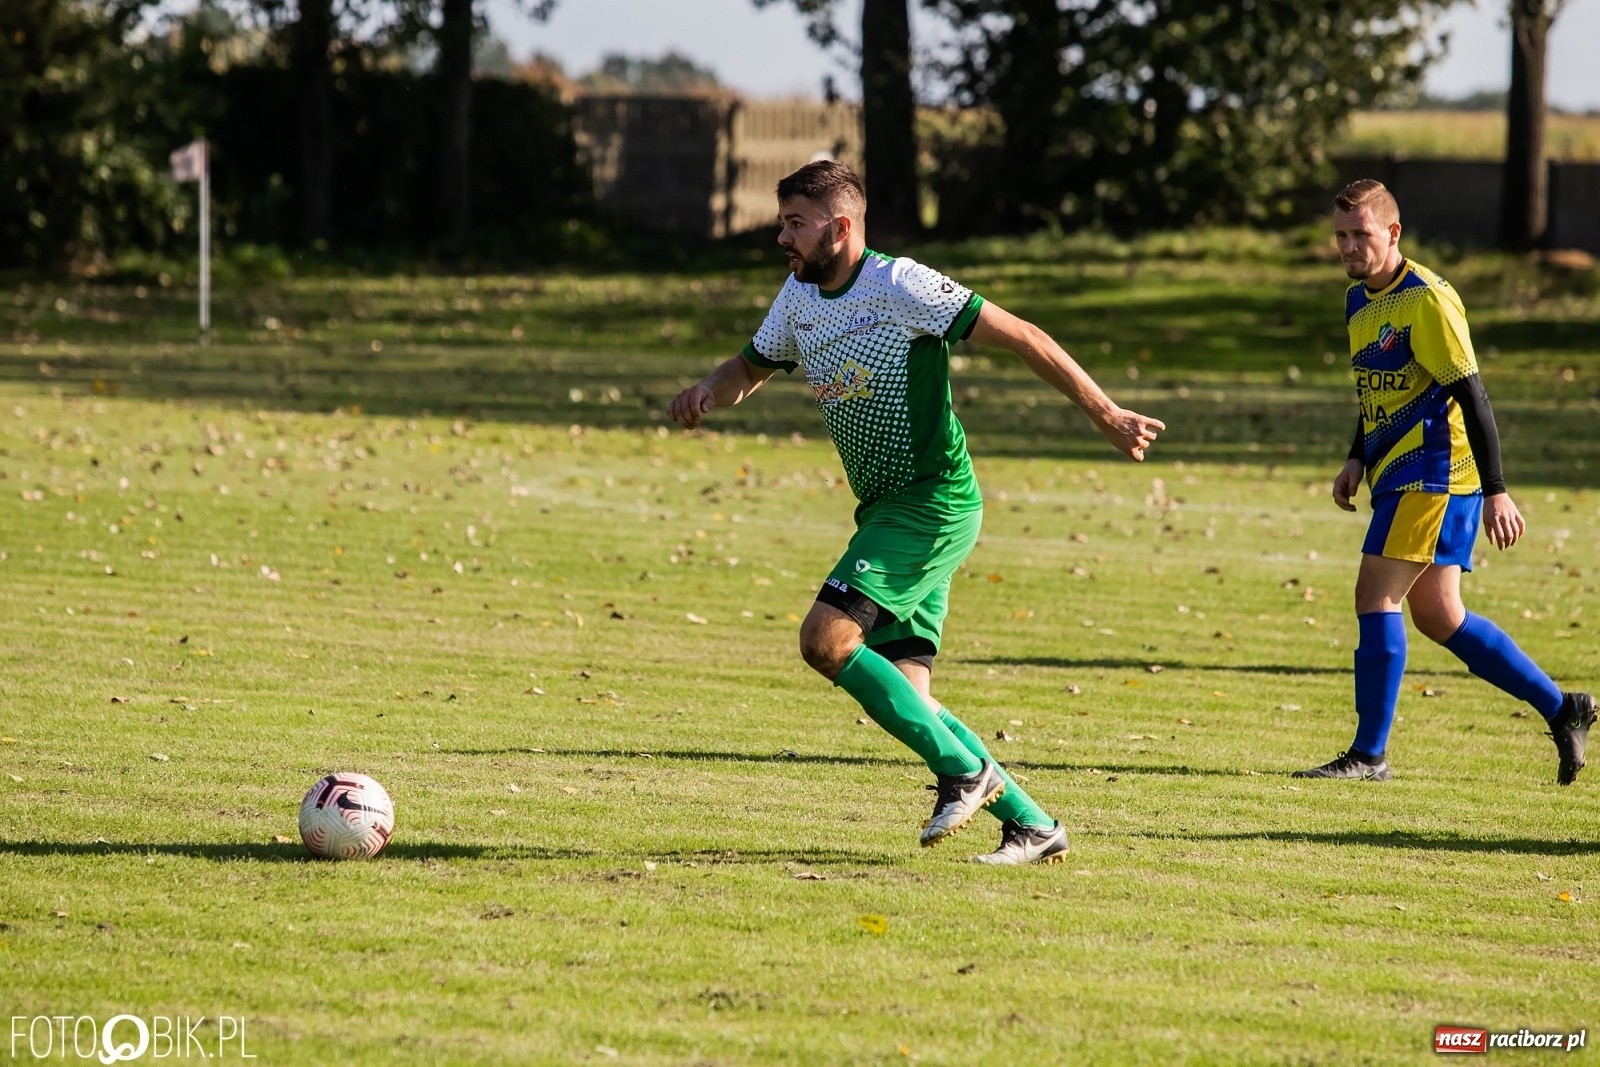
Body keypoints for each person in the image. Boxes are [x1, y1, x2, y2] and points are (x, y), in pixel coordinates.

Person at [668, 160, 1164, 863]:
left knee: (826, 639)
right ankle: (1032, 824)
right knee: (908, 694)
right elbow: (751, 366)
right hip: (884, 511)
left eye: (795, 224)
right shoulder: (798, 295)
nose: (782, 237)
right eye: (783, 222)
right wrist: (708, 389)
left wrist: (1106, 411)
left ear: (840, 227)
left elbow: (1023, 335)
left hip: (931, 502)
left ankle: (967, 773)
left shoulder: (900, 284)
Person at [1294, 178, 1594, 783]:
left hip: (1433, 474)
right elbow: (1378, 386)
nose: (1350, 246)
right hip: (1400, 471)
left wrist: (1497, 488)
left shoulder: (1427, 299)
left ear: (1393, 232)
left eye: (1362, 234)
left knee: (1375, 595)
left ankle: (1369, 755)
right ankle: (1565, 708)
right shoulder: (1359, 299)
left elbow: (1471, 394)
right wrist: (1356, 456)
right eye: (1341, 236)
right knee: (1438, 614)